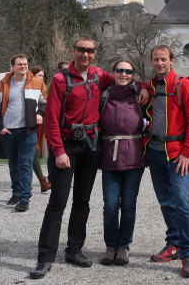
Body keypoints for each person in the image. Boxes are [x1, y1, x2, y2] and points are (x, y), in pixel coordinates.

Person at [29, 35, 148, 279]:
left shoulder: (99, 76)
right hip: (67, 145)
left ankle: (74, 249)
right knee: (57, 202)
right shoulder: (61, 80)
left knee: (82, 200)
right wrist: (59, 150)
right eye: (81, 50)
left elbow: (125, 78)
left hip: (91, 146)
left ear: (95, 53)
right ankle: (45, 257)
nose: (85, 54)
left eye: (90, 51)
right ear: (74, 51)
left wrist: (144, 87)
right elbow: (51, 119)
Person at [144, 44, 189, 278]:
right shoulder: (149, 86)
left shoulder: (183, 85)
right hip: (155, 152)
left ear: (171, 60)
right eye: (155, 60)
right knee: (166, 202)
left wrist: (188, 152)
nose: (159, 63)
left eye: (163, 59)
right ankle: (174, 243)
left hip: (178, 154)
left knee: (181, 202)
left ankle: (188, 253)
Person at [99, 59, 146, 267]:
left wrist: (143, 86)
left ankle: (123, 246)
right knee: (110, 205)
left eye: (128, 71)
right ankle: (110, 246)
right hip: (110, 155)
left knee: (128, 205)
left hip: (134, 157)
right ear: (113, 72)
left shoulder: (140, 96)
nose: (124, 74)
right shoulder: (104, 94)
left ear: (133, 74)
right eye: (120, 70)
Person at [0, 55, 47, 212]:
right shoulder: (2, 84)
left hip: (28, 130)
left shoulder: (37, 83)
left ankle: (24, 198)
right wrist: (0, 127)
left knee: (25, 164)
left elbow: (44, 102)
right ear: (12, 67)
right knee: (13, 164)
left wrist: (40, 114)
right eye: (20, 64)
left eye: (25, 64)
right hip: (8, 130)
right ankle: (16, 192)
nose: (23, 66)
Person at [30, 66, 51, 193]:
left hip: (41, 122)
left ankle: (38, 180)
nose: (41, 78)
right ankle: (42, 180)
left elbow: (45, 103)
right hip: (29, 122)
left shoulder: (44, 88)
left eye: (43, 76)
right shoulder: (29, 88)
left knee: (34, 151)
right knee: (33, 151)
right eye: (39, 75)